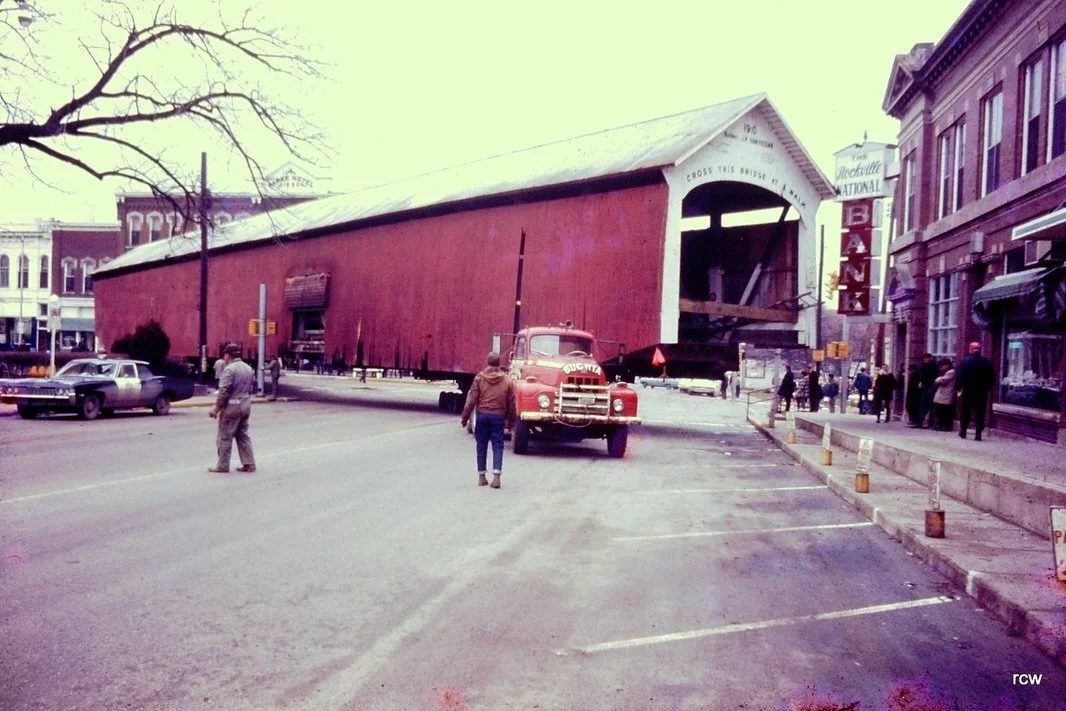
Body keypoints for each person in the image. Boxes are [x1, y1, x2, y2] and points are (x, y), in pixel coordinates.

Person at [460, 353, 516, 489]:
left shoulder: (479, 378)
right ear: (499, 363)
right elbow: (511, 402)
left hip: (482, 415)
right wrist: (511, 420)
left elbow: (471, 400)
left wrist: (465, 417)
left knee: (481, 445)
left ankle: (481, 477)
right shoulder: (507, 380)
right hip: (498, 416)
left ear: (487, 362)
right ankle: (496, 477)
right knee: (498, 446)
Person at [208, 343, 256, 473]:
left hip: (232, 406)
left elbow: (224, 391)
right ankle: (249, 463)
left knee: (225, 436)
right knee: (243, 435)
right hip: (246, 404)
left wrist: (216, 409)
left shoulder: (229, 369)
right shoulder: (248, 368)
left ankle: (223, 465)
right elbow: (250, 388)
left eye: (225, 354)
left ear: (228, 355)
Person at [956, 341, 995, 441]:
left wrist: (958, 388)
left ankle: (963, 431)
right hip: (982, 390)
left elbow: (960, 376)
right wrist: (989, 388)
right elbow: (991, 376)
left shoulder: (965, 361)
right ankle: (978, 434)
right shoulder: (986, 362)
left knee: (965, 410)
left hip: (968, 389)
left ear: (971, 349)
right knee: (980, 411)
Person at [932, 358, 956, 432]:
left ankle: (945, 426)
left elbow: (943, 381)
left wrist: (937, 380)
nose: (941, 367)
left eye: (942, 366)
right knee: (940, 410)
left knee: (945, 411)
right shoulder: (944, 372)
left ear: (947, 365)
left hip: (946, 394)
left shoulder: (951, 372)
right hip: (942, 394)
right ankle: (940, 425)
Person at [918, 352, 939, 428]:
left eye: (926, 358)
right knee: (924, 405)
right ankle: (921, 422)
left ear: (930, 358)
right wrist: (921, 382)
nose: (925, 360)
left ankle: (929, 422)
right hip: (925, 386)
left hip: (931, 386)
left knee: (930, 405)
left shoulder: (934, 366)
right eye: (924, 359)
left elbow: (933, 376)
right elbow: (922, 376)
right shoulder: (923, 366)